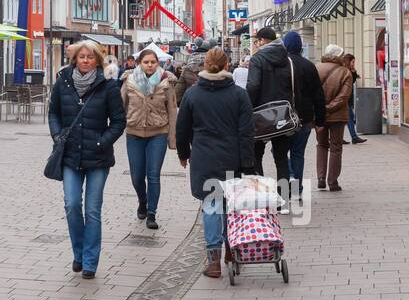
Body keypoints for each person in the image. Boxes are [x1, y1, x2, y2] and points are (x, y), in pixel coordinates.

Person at [48, 40, 126, 279]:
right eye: (81, 57)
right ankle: (78, 253)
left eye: (89, 57)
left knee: (92, 210)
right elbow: (53, 113)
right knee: (72, 205)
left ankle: (90, 262)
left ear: (97, 60)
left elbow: (119, 121)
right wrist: (58, 134)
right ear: (75, 59)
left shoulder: (108, 86)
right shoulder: (63, 81)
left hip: (98, 158)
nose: (85, 60)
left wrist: (103, 141)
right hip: (70, 154)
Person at [174, 47, 255, 279]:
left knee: (211, 206)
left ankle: (214, 261)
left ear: (204, 66)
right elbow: (247, 132)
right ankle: (232, 249)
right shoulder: (239, 95)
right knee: (231, 205)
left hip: (203, 156)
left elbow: (182, 129)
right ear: (227, 65)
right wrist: (248, 163)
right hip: (232, 156)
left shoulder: (192, 94)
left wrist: (183, 153)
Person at [119, 47, 179, 229]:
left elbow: (172, 110)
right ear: (139, 64)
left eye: (153, 62)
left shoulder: (166, 81)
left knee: (153, 175)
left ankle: (152, 213)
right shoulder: (129, 81)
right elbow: (121, 106)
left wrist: (172, 138)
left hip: (158, 133)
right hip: (134, 133)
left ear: (158, 63)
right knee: (137, 176)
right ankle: (142, 201)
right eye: (146, 62)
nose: (150, 65)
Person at [245, 27, 294, 198]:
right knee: (281, 157)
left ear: (264, 41)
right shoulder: (287, 58)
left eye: (257, 41)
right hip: (282, 113)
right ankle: (284, 198)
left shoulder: (257, 59)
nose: (256, 44)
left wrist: (247, 107)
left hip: (261, 114)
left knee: (256, 156)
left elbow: (253, 85)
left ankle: (261, 197)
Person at [282, 30, 325, 201]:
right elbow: (318, 95)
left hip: (283, 119)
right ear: (300, 46)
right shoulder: (309, 66)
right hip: (305, 118)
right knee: (298, 153)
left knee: (280, 152)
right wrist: (320, 120)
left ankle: (288, 179)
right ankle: (297, 188)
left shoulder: (281, 65)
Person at [315, 45, 354, 191]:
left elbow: (311, 92)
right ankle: (332, 182)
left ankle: (320, 178)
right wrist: (330, 108)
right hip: (337, 116)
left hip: (319, 115)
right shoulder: (345, 72)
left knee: (321, 145)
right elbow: (344, 96)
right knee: (336, 147)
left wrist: (320, 109)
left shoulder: (316, 68)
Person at [342, 53, 367, 144]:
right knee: (349, 118)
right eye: (353, 62)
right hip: (344, 99)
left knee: (348, 118)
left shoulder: (348, 70)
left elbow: (352, 81)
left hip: (346, 99)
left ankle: (351, 137)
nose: (354, 63)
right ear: (348, 61)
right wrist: (353, 72)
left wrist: (353, 71)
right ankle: (353, 137)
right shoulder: (344, 71)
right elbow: (350, 82)